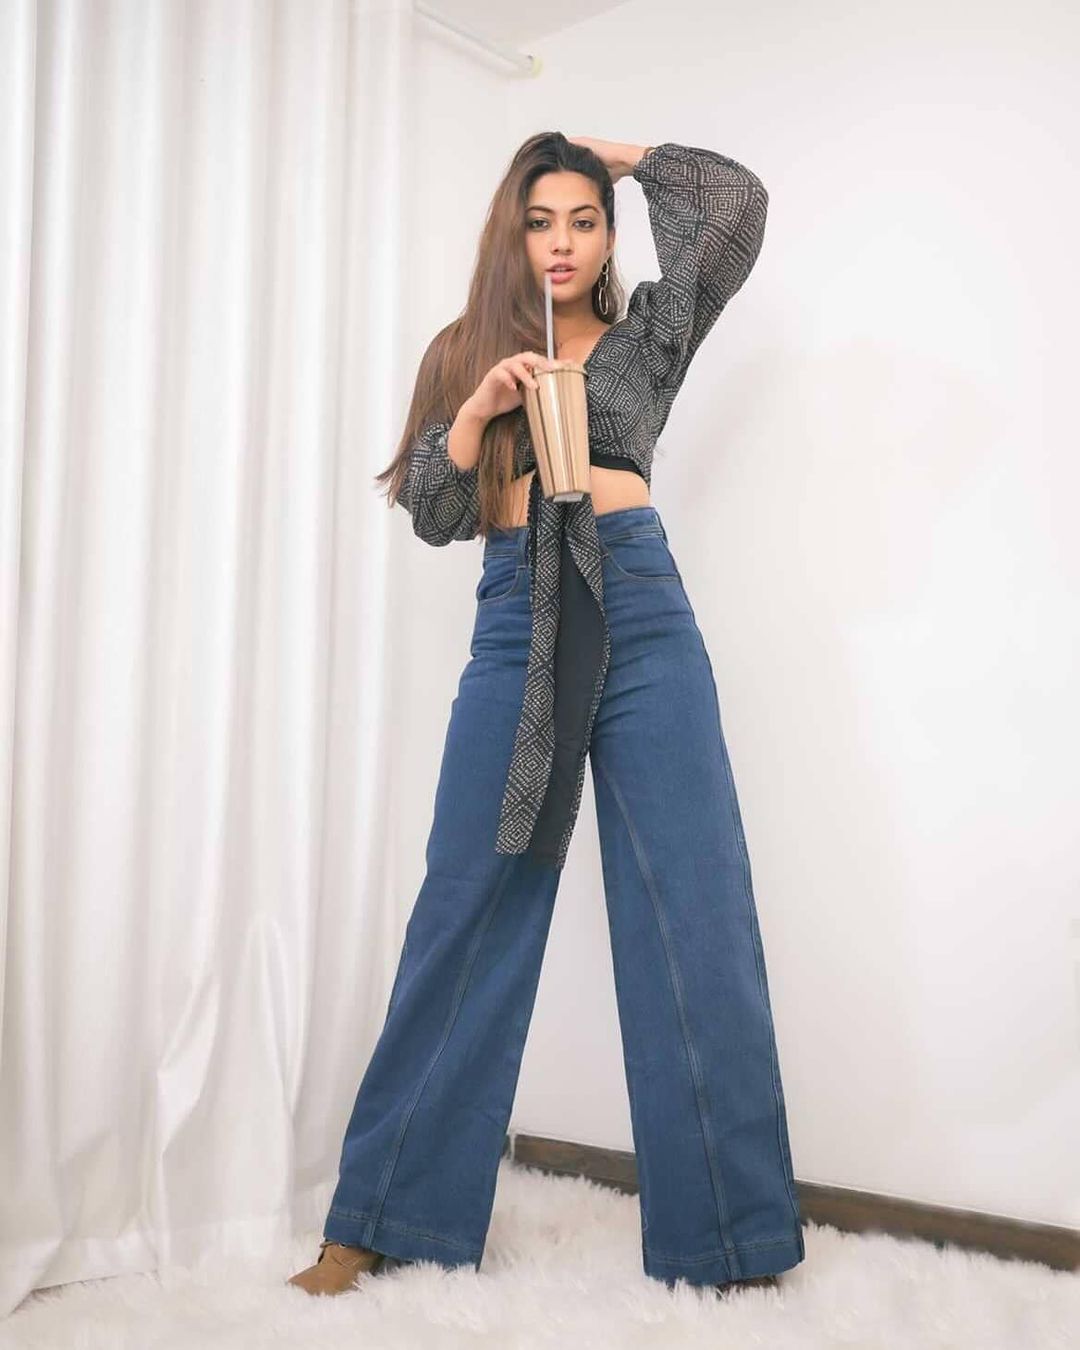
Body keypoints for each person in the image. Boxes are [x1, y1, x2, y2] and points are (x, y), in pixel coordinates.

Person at [288, 132, 804, 1298]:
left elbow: (733, 207)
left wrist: (605, 153)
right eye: (540, 220)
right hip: (518, 614)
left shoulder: (649, 337)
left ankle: (728, 1242)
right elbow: (433, 509)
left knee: (697, 909)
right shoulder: (464, 351)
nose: (562, 242)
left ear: (610, 235)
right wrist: (475, 413)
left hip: (641, 607)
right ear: (510, 235)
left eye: (582, 219)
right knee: (466, 905)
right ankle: (379, 1217)